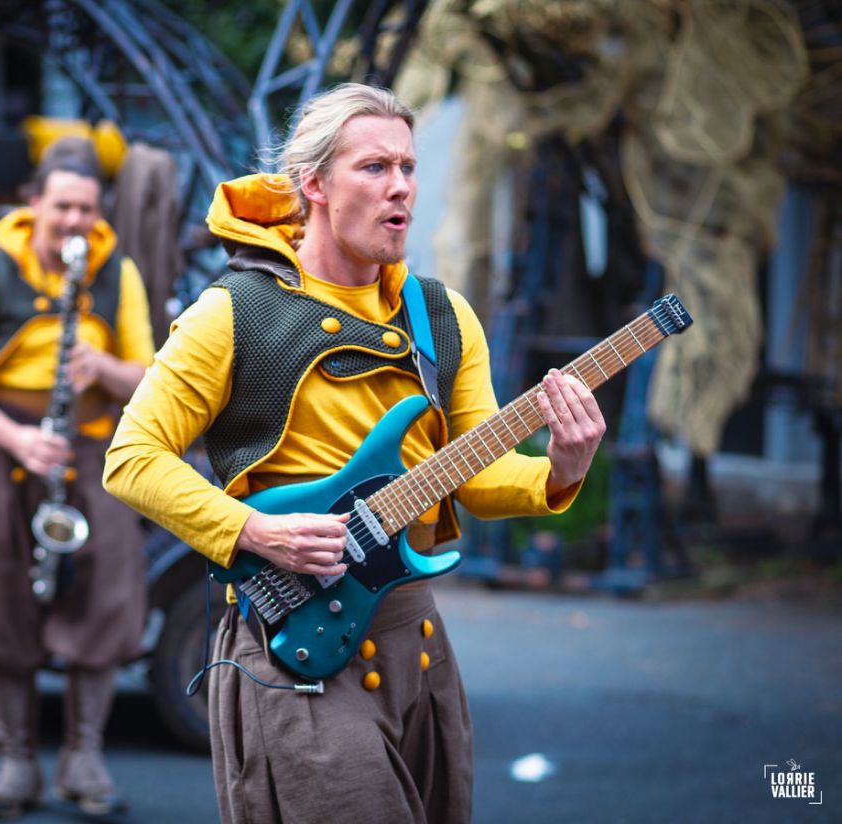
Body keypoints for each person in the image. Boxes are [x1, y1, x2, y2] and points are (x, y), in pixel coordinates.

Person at [102, 83, 607, 824]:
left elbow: (477, 473)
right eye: (374, 167)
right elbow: (132, 457)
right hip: (295, 642)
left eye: (407, 167)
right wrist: (253, 530)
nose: (400, 186)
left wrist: (562, 467)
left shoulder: (443, 316)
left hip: (417, 644)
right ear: (314, 185)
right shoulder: (233, 313)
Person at [0, 141, 154, 819]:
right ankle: (16, 763)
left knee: (106, 598)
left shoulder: (118, 273)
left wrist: (103, 369)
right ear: (35, 205)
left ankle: (84, 757)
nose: (74, 221)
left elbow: (149, 376)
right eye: (63, 207)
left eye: (86, 208)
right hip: (6, 452)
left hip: (92, 454)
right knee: (2, 603)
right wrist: (18, 437)